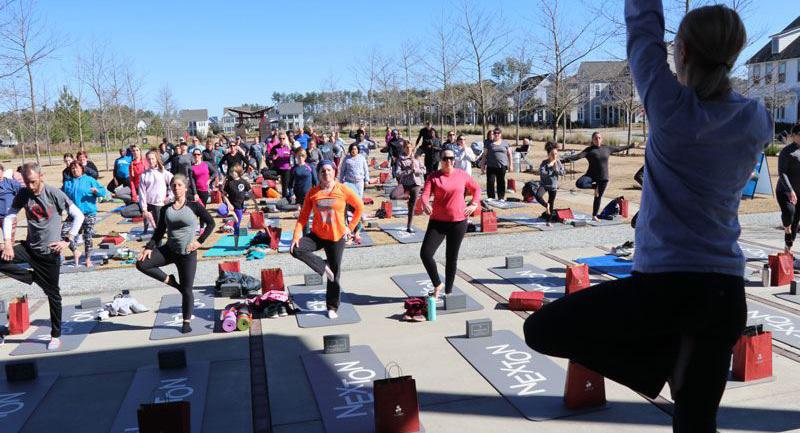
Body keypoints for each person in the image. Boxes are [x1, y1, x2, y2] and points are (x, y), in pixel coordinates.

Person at [524, 3, 771, 433]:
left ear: (683, 52)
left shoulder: (669, 106)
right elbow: (650, 41)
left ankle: (660, 365)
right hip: (724, 295)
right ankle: (669, 365)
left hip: (663, 290)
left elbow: (643, 32)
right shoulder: (756, 119)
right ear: (734, 54)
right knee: (697, 426)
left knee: (542, 330)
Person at [0, 162, 85, 350]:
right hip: (30, 248)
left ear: (41, 176)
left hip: (50, 253)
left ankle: (55, 335)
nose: (30, 186)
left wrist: (67, 240)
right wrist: (7, 243)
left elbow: (79, 215)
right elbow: (9, 216)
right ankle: (33, 278)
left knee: (53, 295)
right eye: (27, 182)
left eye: (33, 181)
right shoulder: (23, 193)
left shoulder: (54, 194)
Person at [136, 174, 215, 334]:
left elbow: (211, 223)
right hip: (169, 250)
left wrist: (199, 241)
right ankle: (171, 281)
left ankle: (186, 321)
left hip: (187, 254)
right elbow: (159, 231)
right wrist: (149, 247)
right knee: (142, 264)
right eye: (174, 185)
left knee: (187, 290)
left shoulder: (194, 206)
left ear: (185, 188)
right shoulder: (166, 209)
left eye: (179, 185)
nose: (176, 188)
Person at [290, 160, 364, 319]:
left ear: (334, 172)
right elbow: (303, 217)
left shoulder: (343, 190)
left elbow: (360, 207)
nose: (326, 173)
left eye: (329, 170)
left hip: (336, 237)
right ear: (318, 174)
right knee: (295, 249)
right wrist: (296, 235)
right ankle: (323, 267)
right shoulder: (313, 193)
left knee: (334, 274)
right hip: (317, 235)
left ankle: (332, 307)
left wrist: (350, 228)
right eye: (323, 171)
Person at [420, 148, 481, 299]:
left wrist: (474, 204)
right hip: (437, 222)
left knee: (451, 258)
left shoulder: (462, 174)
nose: (448, 161)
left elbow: (476, 189)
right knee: (425, 254)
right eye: (445, 158)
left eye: (451, 158)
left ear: (454, 160)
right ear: (440, 160)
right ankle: (437, 284)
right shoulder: (434, 177)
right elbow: (425, 194)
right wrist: (425, 204)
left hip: (458, 222)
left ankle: (448, 292)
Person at [561, 132, 634, 220]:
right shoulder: (589, 150)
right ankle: (595, 187)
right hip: (591, 175)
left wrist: (631, 146)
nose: (598, 140)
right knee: (579, 183)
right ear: (592, 140)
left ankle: (594, 215)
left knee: (598, 197)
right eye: (595, 138)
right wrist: (563, 161)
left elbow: (618, 148)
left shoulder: (607, 148)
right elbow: (577, 156)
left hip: (603, 177)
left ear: (601, 139)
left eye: (599, 138)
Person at [61, 161, 106, 267]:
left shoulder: (90, 180)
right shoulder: (67, 183)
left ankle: (87, 259)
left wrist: (97, 192)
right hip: (74, 215)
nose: (74, 170)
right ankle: (76, 251)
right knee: (63, 233)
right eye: (72, 168)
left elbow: (103, 192)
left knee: (87, 235)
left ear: (82, 169)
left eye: (76, 168)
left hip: (88, 213)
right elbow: (61, 195)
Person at [139, 150, 174, 238]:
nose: (151, 161)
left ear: (156, 159)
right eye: (148, 159)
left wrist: (170, 196)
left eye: (152, 159)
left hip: (159, 204)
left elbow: (174, 182)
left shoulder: (163, 172)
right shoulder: (144, 175)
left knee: (159, 229)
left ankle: (160, 239)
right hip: (148, 204)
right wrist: (144, 208)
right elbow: (142, 192)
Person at [222, 164, 258, 248]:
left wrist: (256, 204)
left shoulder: (243, 182)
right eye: (231, 172)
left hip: (239, 207)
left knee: (237, 225)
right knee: (220, 211)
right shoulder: (229, 182)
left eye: (233, 172)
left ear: (238, 172)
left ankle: (236, 245)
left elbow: (251, 193)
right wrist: (228, 204)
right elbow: (223, 195)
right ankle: (232, 214)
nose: (232, 173)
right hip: (230, 205)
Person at [777, 124, 800, 252]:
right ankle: (787, 229)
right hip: (784, 191)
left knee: (795, 222)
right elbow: (782, 173)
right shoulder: (786, 152)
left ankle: (787, 250)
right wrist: (790, 190)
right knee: (789, 212)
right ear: (793, 136)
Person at [395, 140, 426, 233]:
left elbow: (424, 170)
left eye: (410, 147)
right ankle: (406, 196)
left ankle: (409, 226)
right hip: (405, 183)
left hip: (416, 184)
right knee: (393, 195)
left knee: (412, 206)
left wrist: (416, 170)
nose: (408, 149)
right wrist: (408, 171)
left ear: (412, 148)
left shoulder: (416, 158)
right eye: (406, 147)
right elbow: (397, 173)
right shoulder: (400, 159)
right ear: (404, 148)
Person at [535, 142, 566, 225]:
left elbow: (563, 172)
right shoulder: (544, 163)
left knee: (551, 202)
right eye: (552, 154)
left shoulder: (558, 162)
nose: (554, 156)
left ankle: (548, 221)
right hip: (544, 185)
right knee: (538, 196)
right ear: (548, 154)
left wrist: (556, 170)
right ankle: (546, 206)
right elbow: (542, 173)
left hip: (553, 186)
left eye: (556, 154)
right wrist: (549, 166)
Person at [479, 128, 514, 200]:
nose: (496, 134)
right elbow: (484, 155)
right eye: (495, 133)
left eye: (498, 133)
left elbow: (509, 154)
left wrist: (511, 165)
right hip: (491, 166)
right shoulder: (488, 143)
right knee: (490, 182)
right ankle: (491, 197)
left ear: (501, 134)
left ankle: (501, 197)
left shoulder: (505, 143)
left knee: (501, 182)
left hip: (502, 166)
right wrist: (482, 166)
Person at [0, 164, 21, 243]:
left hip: (8, 217)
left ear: (3, 172)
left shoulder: (11, 183)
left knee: (9, 241)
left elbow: (22, 193)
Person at [270, 132, 293, 199]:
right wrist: (273, 158)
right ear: (278, 139)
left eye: (283, 138)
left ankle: (284, 199)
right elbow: (270, 157)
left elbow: (295, 155)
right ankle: (278, 179)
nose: (282, 140)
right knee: (265, 174)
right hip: (277, 168)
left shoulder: (289, 147)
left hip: (286, 169)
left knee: (285, 186)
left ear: (286, 139)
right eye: (280, 138)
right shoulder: (275, 148)